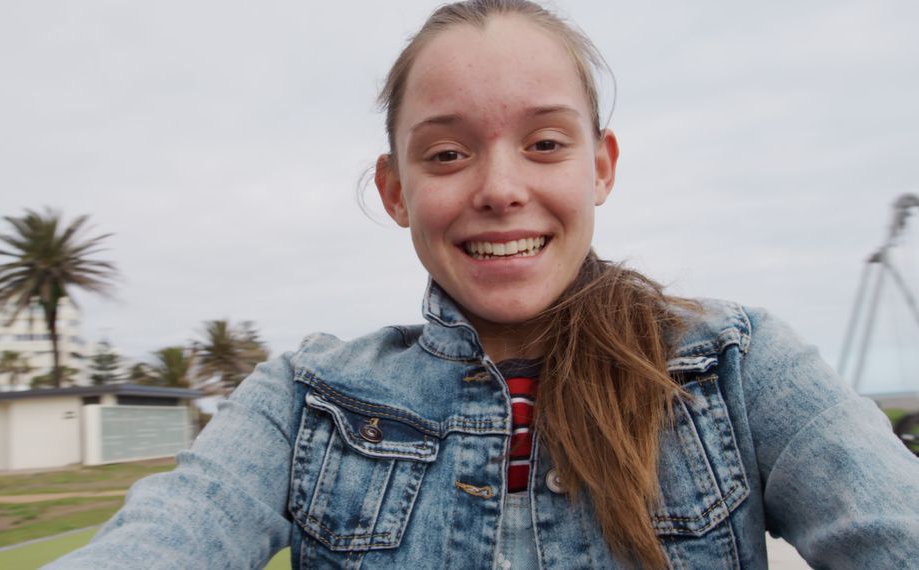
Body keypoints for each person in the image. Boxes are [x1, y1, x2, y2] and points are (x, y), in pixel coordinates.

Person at [48, 1, 919, 568]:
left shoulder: (740, 367)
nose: (500, 188)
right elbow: (160, 541)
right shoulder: (303, 403)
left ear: (600, 167)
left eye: (544, 143)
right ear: (397, 190)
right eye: (448, 152)